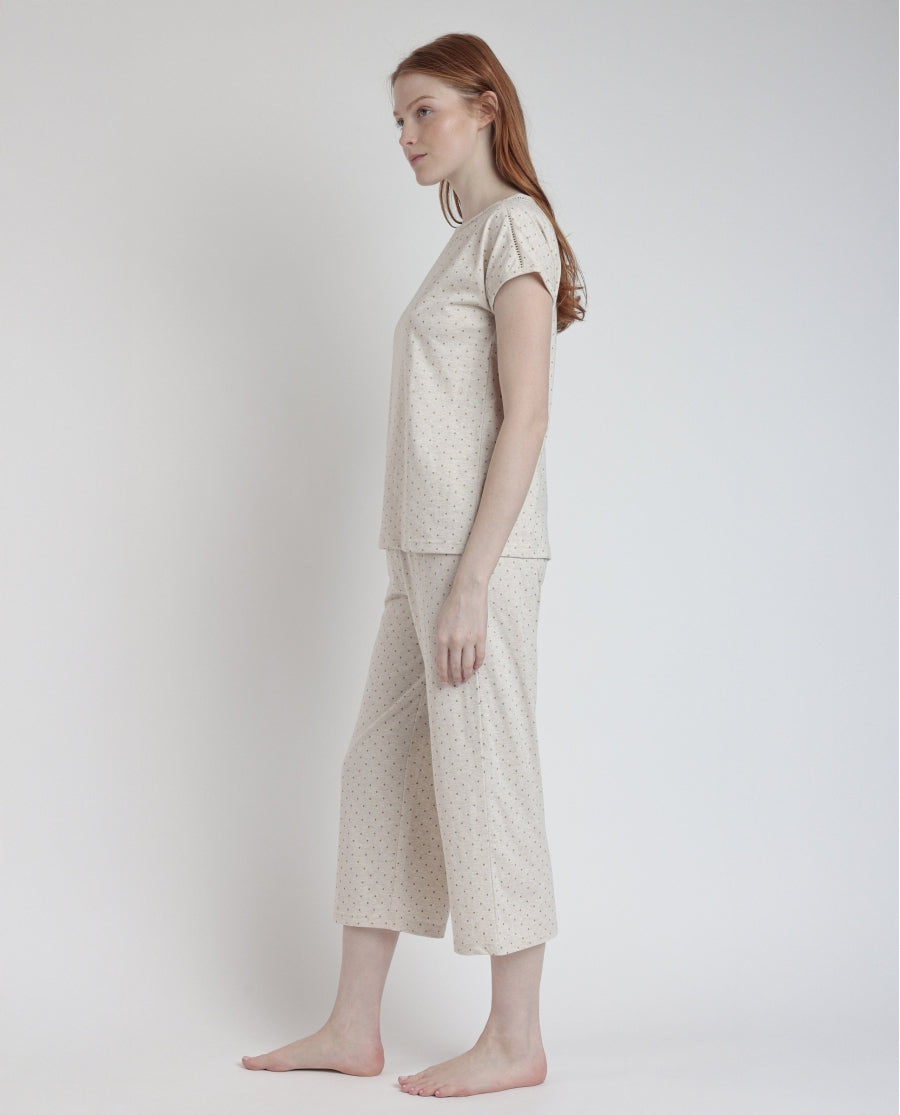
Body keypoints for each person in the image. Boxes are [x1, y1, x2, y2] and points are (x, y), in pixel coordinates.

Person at [242, 31, 585, 1098]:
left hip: (474, 555)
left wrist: (475, 578)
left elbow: (527, 416)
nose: (405, 134)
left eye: (422, 110)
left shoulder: (515, 227)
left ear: (486, 105)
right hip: (419, 552)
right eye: (397, 118)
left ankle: (516, 1038)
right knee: (379, 771)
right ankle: (353, 1026)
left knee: (487, 775)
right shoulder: (468, 236)